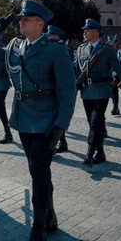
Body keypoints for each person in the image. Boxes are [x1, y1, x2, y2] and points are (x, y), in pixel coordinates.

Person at [0, 0, 76, 241]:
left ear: (41, 24)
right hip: (24, 117)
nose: (21, 21)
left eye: (28, 18)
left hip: (47, 118)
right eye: (21, 18)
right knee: (37, 169)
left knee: (38, 167)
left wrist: (61, 125)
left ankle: (38, 227)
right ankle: (51, 215)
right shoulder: (14, 45)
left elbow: (67, 92)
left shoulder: (55, 50)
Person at [74, 19, 121, 167]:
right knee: (93, 123)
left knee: (95, 122)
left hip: (101, 91)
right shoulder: (81, 49)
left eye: (87, 30)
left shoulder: (107, 49)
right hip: (86, 91)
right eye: (84, 30)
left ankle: (89, 155)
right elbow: (75, 68)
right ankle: (101, 152)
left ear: (95, 32)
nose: (84, 32)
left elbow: (119, 70)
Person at [46, 25, 72, 153]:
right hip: (53, 88)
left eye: (50, 36)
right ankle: (62, 143)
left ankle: (55, 144)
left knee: (57, 116)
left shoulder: (62, 49)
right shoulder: (53, 48)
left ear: (55, 36)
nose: (48, 38)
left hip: (58, 89)